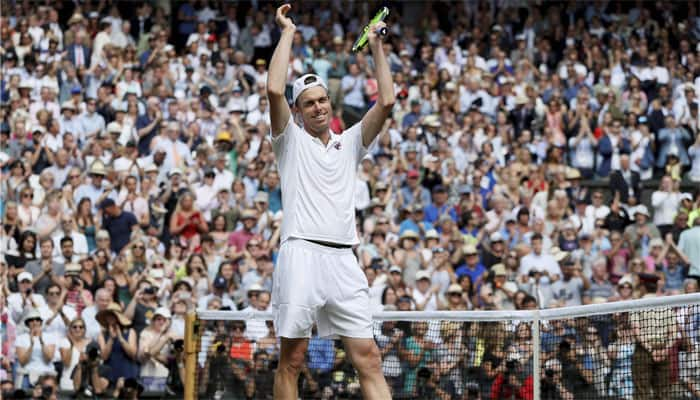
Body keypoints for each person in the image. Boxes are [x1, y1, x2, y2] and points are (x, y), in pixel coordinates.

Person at [266, 4, 394, 399]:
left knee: (369, 357)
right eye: (309, 103)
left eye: (322, 100)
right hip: (301, 254)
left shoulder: (350, 142)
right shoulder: (289, 141)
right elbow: (274, 89)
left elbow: (387, 102)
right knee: (292, 359)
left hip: (344, 260)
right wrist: (287, 32)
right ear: (299, 112)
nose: (318, 106)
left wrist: (375, 47)